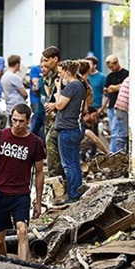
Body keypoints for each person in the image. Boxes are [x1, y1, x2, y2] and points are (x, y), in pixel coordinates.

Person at [0, 103, 46, 260]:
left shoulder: (35, 143)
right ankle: (4, 265)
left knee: (22, 230)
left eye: (21, 121)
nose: (17, 124)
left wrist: (38, 202)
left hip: (21, 194)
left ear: (28, 121)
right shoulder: (0, 136)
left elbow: (40, 172)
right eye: (14, 120)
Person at [46, 60, 86, 203]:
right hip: (75, 128)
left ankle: (73, 194)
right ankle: (77, 190)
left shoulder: (71, 86)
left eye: (61, 71)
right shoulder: (80, 85)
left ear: (67, 71)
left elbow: (59, 105)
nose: (59, 74)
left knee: (69, 164)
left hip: (67, 129)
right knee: (74, 162)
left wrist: (58, 89)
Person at [40, 46, 63, 178]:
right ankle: (56, 176)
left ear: (55, 59)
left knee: (52, 143)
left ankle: (56, 177)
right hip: (51, 117)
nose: (44, 64)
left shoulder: (65, 73)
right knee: (51, 147)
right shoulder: (49, 75)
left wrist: (56, 105)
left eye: (46, 60)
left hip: (62, 116)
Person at [101, 55, 129, 153]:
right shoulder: (109, 76)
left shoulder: (126, 74)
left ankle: (115, 152)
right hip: (112, 106)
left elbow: (125, 85)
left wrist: (113, 87)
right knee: (114, 131)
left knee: (118, 131)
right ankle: (114, 152)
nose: (111, 69)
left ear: (117, 63)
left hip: (122, 107)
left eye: (112, 67)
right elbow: (106, 90)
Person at [1, 54, 28, 121]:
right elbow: (24, 93)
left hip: (9, 104)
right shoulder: (14, 77)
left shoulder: (4, 76)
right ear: (17, 64)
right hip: (17, 105)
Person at [28, 64, 46, 139]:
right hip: (39, 107)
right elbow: (36, 89)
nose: (43, 69)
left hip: (46, 109)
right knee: (34, 130)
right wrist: (35, 88)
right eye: (42, 67)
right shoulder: (41, 78)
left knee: (44, 130)